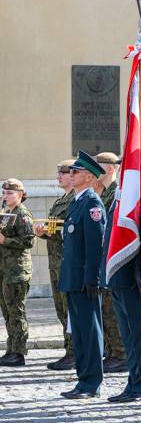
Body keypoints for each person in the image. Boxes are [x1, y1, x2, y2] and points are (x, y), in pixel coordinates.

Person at [101, 191, 141, 403]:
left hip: (131, 276)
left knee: (139, 333)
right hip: (118, 276)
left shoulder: (139, 192)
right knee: (129, 335)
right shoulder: (123, 194)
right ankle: (134, 380)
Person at [59, 152, 107, 399]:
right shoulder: (77, 202)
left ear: (89, 176)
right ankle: (83, 379)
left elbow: (95, 245)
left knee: (89, 331)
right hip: (73, 278)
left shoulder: (92, 204)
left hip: (84, 280)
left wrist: (93, 278)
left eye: (76, 172)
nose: (71, 174)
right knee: (78, 331)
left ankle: (91, 382)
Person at [37, 160, 77, 371]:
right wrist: (44, 232)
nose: (59, 176)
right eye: (58, 172)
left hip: (66, 262)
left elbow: (70, 230)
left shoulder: (75, 200)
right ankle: (68, 349)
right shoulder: (61, 200)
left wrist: (50, 230)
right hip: (56, 262)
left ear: (74, 175)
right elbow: (57, 230)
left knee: (70, 310)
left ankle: (74, 353)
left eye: (64, 172)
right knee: (61, 310)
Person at [94, 152, 126, 372]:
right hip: (102, 258)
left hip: (112, 258)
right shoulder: (104, 193)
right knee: (106, 308)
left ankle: (119, 352)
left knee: (112, 308)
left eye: (99, 166)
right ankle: (112, 350)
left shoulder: (115, 192)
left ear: (111, 169)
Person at [0, 179, 34, 367]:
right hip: (4, 270)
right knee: (7, 311)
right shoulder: (6, 213)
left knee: (16, 311)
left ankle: (19, 352)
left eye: (10, 193)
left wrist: (5, 240)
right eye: (4, 193)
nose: (6, 196)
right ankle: (11, 349)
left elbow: (29, 241)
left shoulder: (22, 214)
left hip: (17, 271)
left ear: (20, 194)